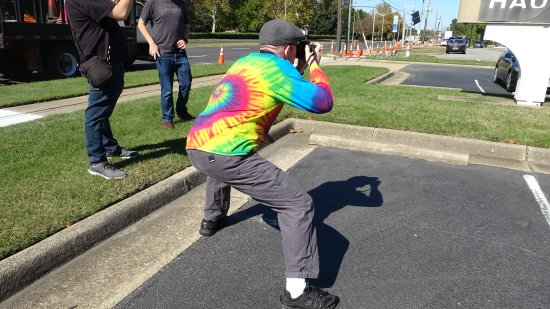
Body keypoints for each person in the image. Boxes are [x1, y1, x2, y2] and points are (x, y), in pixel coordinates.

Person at [185, 19, 339, 309]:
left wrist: (299, 64)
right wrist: (316, 64)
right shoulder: (279, 70)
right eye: (296, 49)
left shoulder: (246, 63)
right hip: (228, 155)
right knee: (297, 205)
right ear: (288, 49)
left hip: (198, 145)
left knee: (219, 166)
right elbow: (321, 102)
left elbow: (283, 82)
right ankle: (296, 292)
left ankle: (212, 217)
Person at [66, 0, 139, 180]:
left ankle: (109, 147)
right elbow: (121, 12)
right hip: (101, 65)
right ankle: (97, 162)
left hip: (107, 62)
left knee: (101, 111)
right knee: (96, 114)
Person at [138, 0, 193, 129]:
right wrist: (151, 43)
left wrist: (185, 39)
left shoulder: (181, 3)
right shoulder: (152, 2)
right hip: (162, 53)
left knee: (186, 83)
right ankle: (167, 118)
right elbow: (141, 24)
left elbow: (186, 25)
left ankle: (181, 111)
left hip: (180, 53)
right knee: (167, 89)